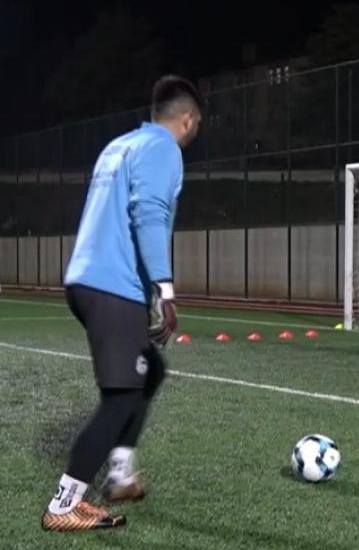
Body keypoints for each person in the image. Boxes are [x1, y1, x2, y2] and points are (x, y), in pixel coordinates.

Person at [41, 75, 202, 532]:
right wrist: (165, 290)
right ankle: (64, 504)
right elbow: (149, 212)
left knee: (151, 370)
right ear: (189, 119)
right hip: (113, 287)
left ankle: (122, 476)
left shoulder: (118, 146)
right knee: (121, 397)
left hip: (85, 279)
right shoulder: (164, 149)